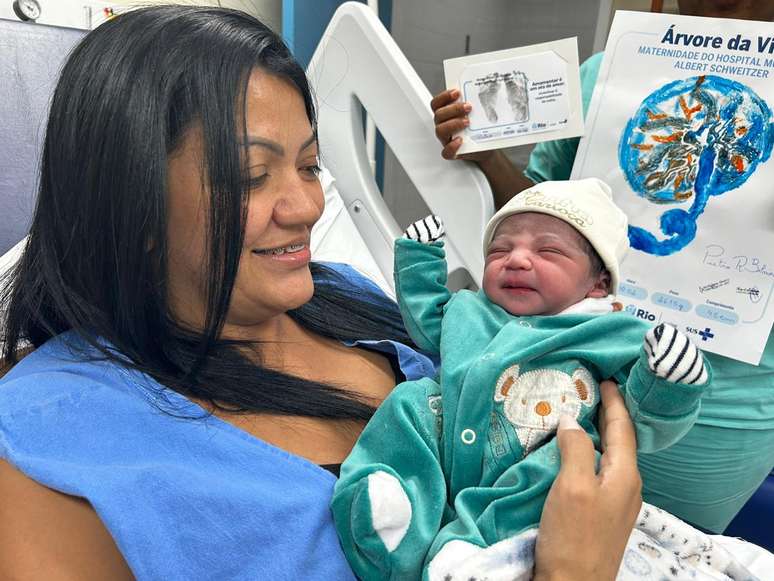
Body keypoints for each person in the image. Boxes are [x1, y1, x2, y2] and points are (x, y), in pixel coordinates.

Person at [0, 6, 644, 579]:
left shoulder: (341, 298)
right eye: (253, 176)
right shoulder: (46, 450)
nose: (308, 205)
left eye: (311, 165)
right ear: (130, 208)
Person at [430, 0, 774, 533]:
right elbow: (543, 213)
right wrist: (484, 155)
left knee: (671, 554)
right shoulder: (607, 74)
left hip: (722, 409)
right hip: (557, 365)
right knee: (505, 535)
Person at [330, 179, 745, 580]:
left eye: (547, 250)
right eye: (499, 249)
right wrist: (420, 258)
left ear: (598, 284)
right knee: (410, 403)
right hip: (446, 439)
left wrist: (670, 383)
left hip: (537, 466)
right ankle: (397, 525)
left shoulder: (612, 333)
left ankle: (471, 550)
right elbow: (428, 319)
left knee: (565, 461)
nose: (516, 259)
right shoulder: (471, 310)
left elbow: (642, 419)